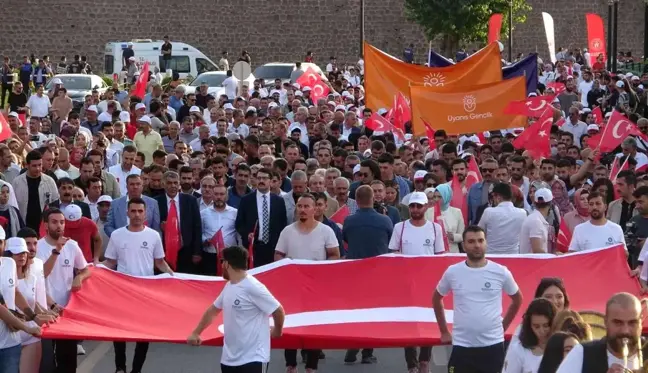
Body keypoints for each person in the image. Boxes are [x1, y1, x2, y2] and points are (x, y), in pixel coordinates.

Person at [433, 225, 523, 373]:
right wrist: (443, 331)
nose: (477, 245)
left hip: (492, 345)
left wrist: (503, 327)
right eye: (471, 241)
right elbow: (437, 298)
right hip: (462, 346)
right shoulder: (453, 272)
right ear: (464, 245)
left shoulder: (501, 272)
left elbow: (517, 299)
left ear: (486, 243)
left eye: (481, 241)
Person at [187, 246, 285, 373]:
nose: (221, 266)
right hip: (229, 360)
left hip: (253, 359)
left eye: (222, 262)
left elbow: (278, 310)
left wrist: (277, 331)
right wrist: (196, 332)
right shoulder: (229, 286)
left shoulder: (253, 286)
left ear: (227, 264)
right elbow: (213, 311)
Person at [104, 197, 173, 373]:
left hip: (145, 292)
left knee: (144, 333)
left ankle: (136, 369)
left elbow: (160, 262)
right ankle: (120, 367)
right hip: (122, 291)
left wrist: (175, 277)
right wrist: (92, 269)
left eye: (140, 211)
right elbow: (110, 262)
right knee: (118, 331)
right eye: (133, 211)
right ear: (127, 212)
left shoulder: (153, 235)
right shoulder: (117, 235)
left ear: (145, 213)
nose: (136, 215)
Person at [274, 193, 339, 373]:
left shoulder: (326, 231)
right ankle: (291, 364)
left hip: (316, 288)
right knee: (291, 324)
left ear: (315, 209)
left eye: (306, 206)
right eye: (299, 206)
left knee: (313, 326)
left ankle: (311, 366)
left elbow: (334, 254)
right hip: (292, 287)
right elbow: (278, 254)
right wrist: (284, 266)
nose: (302, 210)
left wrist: (321, 269)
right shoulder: (287, 231)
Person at [35, 208, 90, 373]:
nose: (59, 226)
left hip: (66, 311)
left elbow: (86, 269)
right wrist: (57, 251)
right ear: (46, 225)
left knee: (67, 361)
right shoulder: (37, 247)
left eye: (62, 222)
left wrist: (79, 277)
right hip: (44, 310)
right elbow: (41, 275)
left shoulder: (72, 246)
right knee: (46, 363)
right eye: (54, 222)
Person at [557, 292, 643, 371]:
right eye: (618, 323)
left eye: (632, 323)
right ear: (605, 321)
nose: (625, 331)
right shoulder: (582, 353)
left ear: (641, 322)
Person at [5, 237, 54, 373]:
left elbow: (32, 303)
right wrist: (31, 318)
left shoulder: (32, 278)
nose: (22, 256)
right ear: (8, 255)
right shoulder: (3, 278)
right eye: (17, 253)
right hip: (9, 336)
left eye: (24, 252)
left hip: (31, 335)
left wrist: (46, 313)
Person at [235, 167, 288, 267]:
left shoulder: (279, 201)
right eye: (259, 178)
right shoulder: (246, 200)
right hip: (253, 248)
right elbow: (239, 223)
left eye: (264, 178)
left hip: (273, 248)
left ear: (270, 181)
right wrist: (247, 234)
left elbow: (283, 223)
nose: (261, 181)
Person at [154, 171, 202, 274]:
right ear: (163, 184)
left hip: (186, 250)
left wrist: (197, 252)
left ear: (179, 184)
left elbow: (197, 226)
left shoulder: (190, 201)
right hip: (164, 251)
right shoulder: (156, 202)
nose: (173, 186)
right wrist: (161, 227)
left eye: (175, 183)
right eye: (169, 183)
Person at [503, 298, 556, 373]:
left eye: (546, 325)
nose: (542, 331)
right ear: (529, 326)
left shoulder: (563, 345)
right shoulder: (519, 350)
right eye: (536, 327)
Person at [12, 150, 59, 231]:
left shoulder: (49, 181)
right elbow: (13, 207)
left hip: (44, 227)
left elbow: (55, 205)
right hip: (23, 226)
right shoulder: (17, 182)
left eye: (39, 165)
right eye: (34, 166)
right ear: (27, 165)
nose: (37, 169)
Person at [389, 191, 445, 257]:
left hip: (429, 267)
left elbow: (439, 254)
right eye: (412, 206)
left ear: (426, 207)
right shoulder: (399, 227)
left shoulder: (436, 228)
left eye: (419, 206)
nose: (415, 209)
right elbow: (394, 252)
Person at [200, 182, 239, 276]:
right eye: (216, 194)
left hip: (230, 256)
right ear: (212, 195)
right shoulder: (203, 213)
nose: (219, 197)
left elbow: (239, 233)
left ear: (227, 196)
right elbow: (199, 232)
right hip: (210, 255)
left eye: (222, 194)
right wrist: (205, 240)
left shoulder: (235, 213)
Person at [478, 182, 527, 254]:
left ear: (498, 197)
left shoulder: (488, 212)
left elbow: (479, 233)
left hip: (492, 256)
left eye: (493, 197)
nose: (493, 200)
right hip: (513, 255)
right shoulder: (522, 213)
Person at [519, 188, 553, 254]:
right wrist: (553, 258)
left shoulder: (536, 218)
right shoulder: (536, 221)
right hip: (530, 263)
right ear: (551, 203)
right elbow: (537, 250)